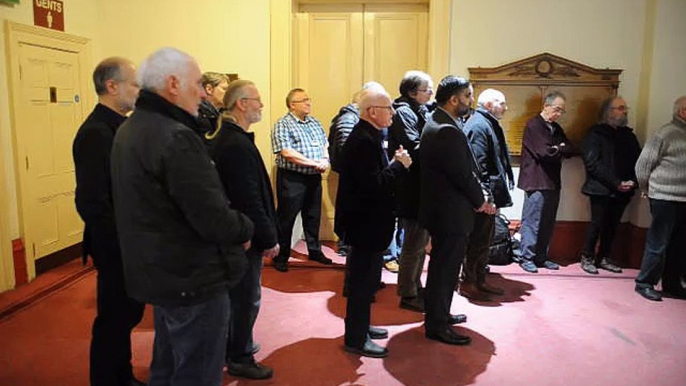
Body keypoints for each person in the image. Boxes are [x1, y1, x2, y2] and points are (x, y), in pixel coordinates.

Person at [111, 47, 254, 386]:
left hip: (161, 273)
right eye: (198, 84)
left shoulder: (131, 129)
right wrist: (245, 228)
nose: (204, 92)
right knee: (196, 372)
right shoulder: (176, 136)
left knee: (167, 365)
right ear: (173, 84)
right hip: (192, 278)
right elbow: (212, 217)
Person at [73, 57, 145, 386]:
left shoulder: (121, 127)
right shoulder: (95, 133)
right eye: (134, 84)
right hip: (116, 244)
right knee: (114, 319)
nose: (139, 90)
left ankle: (123, 375)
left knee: (128, 315)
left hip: (130, 242)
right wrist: (118, 247)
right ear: (112, 86)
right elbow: (92, 201)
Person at [206, 80, 276, 379]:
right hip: (244, 236)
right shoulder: (234, 144)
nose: (261, 105)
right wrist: (269, 238)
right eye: (257, 100)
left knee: (240, 296)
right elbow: (248, 198)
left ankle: (237, 343)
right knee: (246, 297)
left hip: (238, 233)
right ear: (241, 103)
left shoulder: (231, 138)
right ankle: (240, 355)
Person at [419, 76, 495, 345]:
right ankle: (437, 325)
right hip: (450, 213)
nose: (470, 100)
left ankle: (439, 314)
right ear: (454, 99)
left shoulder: (438, 121)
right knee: (444, 269)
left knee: (443, 267)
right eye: (468, 95)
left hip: (443, 210)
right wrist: (481, 202)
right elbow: (462, 175)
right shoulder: (446, 129)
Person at [337, 86, 411, 358]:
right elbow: (374, 185)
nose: (392, 112)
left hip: (369, 223)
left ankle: (362, 327)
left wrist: (392, 163)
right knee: (361, 284)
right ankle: (355, 338)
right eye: (387, 107)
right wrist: (398, 165)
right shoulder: (362, 140)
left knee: (367, 282)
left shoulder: (370, 135)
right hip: (364, 224)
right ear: (371, 112)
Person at [461, 88, 514, 301]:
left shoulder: (486, 123)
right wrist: (485, 198)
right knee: (477, 241)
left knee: (485, 240)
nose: (506, 107)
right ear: (489, 104)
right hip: (483, 196)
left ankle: (479, 279)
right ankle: (468, 282)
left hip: (489, 193)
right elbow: (477, 165)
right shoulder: (478, 125)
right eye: (502, 103)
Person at [387, 70, 434, 312]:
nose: (431, 93)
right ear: (412, 92)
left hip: (421, 185)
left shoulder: (421, 110)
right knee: (413, 244)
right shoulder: (404, 112)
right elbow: (414, 146)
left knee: (420, 242)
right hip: (411, 186)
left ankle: (416, 286)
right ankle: (407, 293)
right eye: (428, 89)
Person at [271, 88, 331, 272]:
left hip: (313, 177)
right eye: (303, 100)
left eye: (308, 99)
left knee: (313, 216)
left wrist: (324, 160)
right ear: (292, 105)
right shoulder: (283, 124)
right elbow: (286, 152)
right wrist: (314, 163)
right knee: (286, 218)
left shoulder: (314, 122)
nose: (308, 103)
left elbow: (324, 144)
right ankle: (281, 255)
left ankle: (314, 251)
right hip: (293, 178)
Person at [580, 97, 641, 275]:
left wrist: (632, 181)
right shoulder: (595, 134)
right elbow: (592, 163)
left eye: (625, 108)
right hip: (600, 188)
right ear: (609, 111)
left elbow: (638, 161)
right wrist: (616, 182)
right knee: (597, 224)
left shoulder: (628, 136)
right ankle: (588, 256)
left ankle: (604, 257)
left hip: (624, 190)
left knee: (613, 225)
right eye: (620, 108)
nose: (625, 111)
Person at [517, 91, 576, 273]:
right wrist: (559, 148)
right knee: (532, 221)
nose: (559, 114)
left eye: (562, 111)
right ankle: (526, 257)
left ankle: (542, 256)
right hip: (536, 180)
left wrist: (558, 148)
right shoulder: (534, 125)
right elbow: (544, 153)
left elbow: (570, 148)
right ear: (546, 106)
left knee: (548, 221)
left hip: (552, 181)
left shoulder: (556, 128)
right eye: (557, 109)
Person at [634, 95, 686, 301]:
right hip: (664, 197)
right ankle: (645, 282)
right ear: (682, 112)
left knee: (680, 245)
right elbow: (643, 166)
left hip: (685, 200)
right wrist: (646, 189)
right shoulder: (664, 134)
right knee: (659, 243)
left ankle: (672, 283)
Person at [196, 72, 229, 139]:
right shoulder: (196, 114)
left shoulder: (226, 114)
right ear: (209, 89)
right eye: (224, 89)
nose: (228, 93)